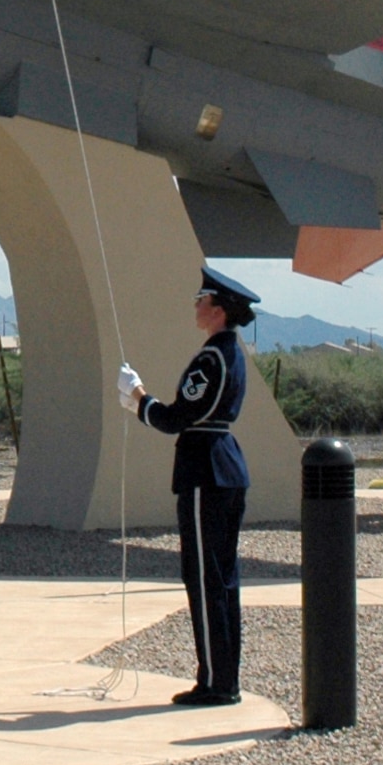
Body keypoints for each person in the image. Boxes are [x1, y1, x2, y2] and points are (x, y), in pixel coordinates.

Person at [116, 266, 259, 707]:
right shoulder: (228, 354)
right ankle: (222, 677)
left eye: (202, 300)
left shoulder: (211, 358)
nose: (195, 306)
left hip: (205, 471)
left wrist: (138, 397)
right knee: (222, 577)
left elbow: (177, 417)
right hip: (222, 465)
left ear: (217, 310)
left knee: (205, 578)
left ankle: (216, 682)